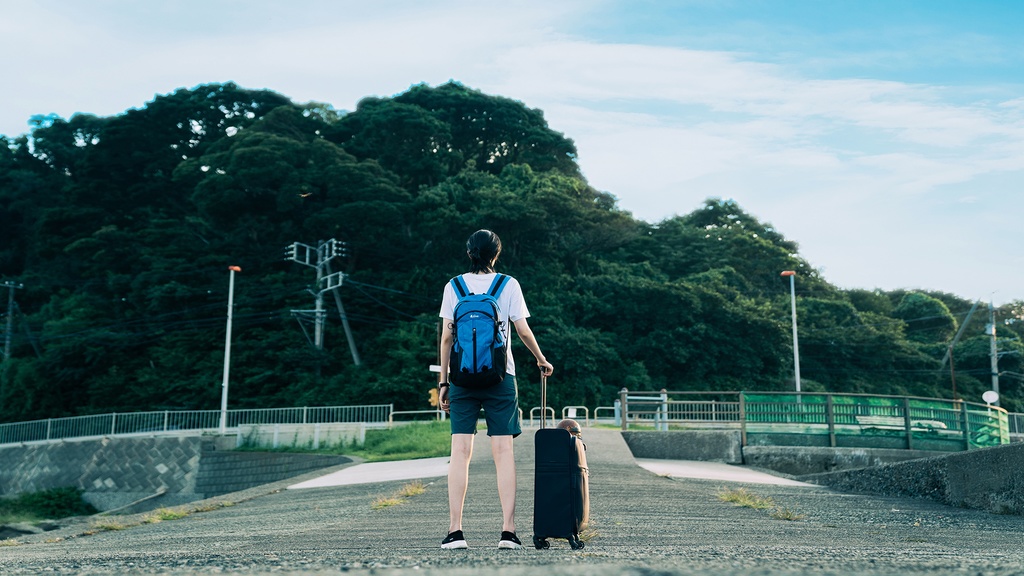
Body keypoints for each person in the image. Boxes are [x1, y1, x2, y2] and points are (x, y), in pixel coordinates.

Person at [437, 229, 554, 550]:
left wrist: (444, 381)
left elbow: (447, 337)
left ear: (469, 253)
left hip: (461, 379)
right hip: (502, 378)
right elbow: (522, 329)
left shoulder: (454, 286)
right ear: (496, 255)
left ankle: (455, 532)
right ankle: (508, 533)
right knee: (503, 453)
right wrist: (541, 360)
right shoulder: (508, 284)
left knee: (459, 452)